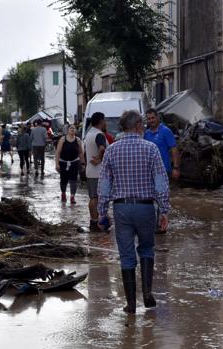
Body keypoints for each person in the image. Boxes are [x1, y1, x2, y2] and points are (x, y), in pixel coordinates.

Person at [98, 110, 170, 314]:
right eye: (143, 124)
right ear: (138, 126)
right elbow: (160, 183)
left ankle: (131, 304)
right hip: (145, 207)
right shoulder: (151, 149)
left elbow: (104, 184)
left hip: (121, 208)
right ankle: (147, 294)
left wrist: (102, 212)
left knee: (127, 255)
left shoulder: (112, 150)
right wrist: (164, 210)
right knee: (147, 249)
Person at [84, 112, 108, 232]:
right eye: (104, 120)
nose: (106, 123)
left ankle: (96, 222)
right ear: (100, 121)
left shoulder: (89, 134)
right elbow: (102, 148)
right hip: (98, 172)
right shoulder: (99, 134)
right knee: (96, 198)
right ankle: (96, 223)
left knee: (94, 197)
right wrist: (99, 158)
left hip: (90, 171)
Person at [144, 108, 180, 180]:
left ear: (157, 117)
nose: (151, 120)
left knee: (160, 190)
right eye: (149, 119)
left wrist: (176, 168)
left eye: (153, 118)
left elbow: (174, 149)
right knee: (151, 191)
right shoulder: (146, 133)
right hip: (149, 171)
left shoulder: (166, 131)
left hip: (162, 171)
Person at [55, 125, 84, 204]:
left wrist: (82, 163)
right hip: (63, 162)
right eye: (71, 128)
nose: (72, 129)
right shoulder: (62, 139)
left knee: (73, 180)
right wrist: (57, 164)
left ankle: (72, 196)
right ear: (67, 130)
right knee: (63, 180)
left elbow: (81, 152)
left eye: (74, 128)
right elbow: (58, 152)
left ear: (75, 130)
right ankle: (63, 193)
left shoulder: (78, 140)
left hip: (74, 162)